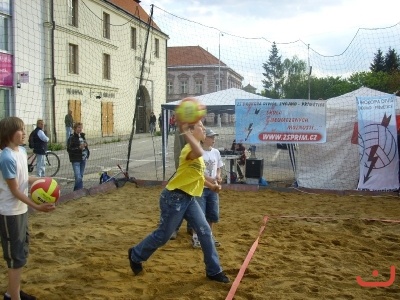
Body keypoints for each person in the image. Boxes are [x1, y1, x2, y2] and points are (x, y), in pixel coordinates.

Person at [128, 119, 229, 283]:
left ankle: (214, 270)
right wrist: (185, 130)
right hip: (174, 198)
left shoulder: (197, 152)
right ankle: (135, 254)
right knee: (163, 236)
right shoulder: (188, 150)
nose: (204, 129)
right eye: (200, 127)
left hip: (188, 198)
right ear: (190, 131)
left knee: (204, 231)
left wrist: (211, 185)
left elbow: (198, 175)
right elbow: (197, 151)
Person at [0, 116, 56, 300]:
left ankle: (12, 292)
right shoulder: (6, 157)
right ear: (9, 134)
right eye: (20, 130)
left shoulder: (22, 151)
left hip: (21, 210)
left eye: (24, 129)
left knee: (21, 253)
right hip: (10, 213)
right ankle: (13, 297)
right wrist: (37, 207)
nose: (24, 133)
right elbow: (15, 189)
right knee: (15, 257)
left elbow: (25, 179)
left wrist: (45, 181)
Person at [192, 128, 223, 248]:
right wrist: (211, 181)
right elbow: (197, 173)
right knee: (200, 214)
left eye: (214, 137)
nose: (214, 139)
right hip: (201, 188)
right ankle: (196, 238)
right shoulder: (198, 152)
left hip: (212, 189)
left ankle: (209, 236)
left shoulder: (215, 152)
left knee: (212, 214)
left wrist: (218, 176)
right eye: (211, 137)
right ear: (204, 139)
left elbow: (219, 167)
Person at [67, 122, 90, 191]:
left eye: (81, 127)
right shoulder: (72, 138)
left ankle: (78, 190)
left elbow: (85, 146)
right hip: (76, 159)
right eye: (78, 127)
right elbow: (69, 149)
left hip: (83, 158)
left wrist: (86, 146)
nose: (80, 129)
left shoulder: (82, 136)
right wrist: (79, 147)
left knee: (81, 176)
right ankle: (78, 190)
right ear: (75, 128)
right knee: (78, 176)